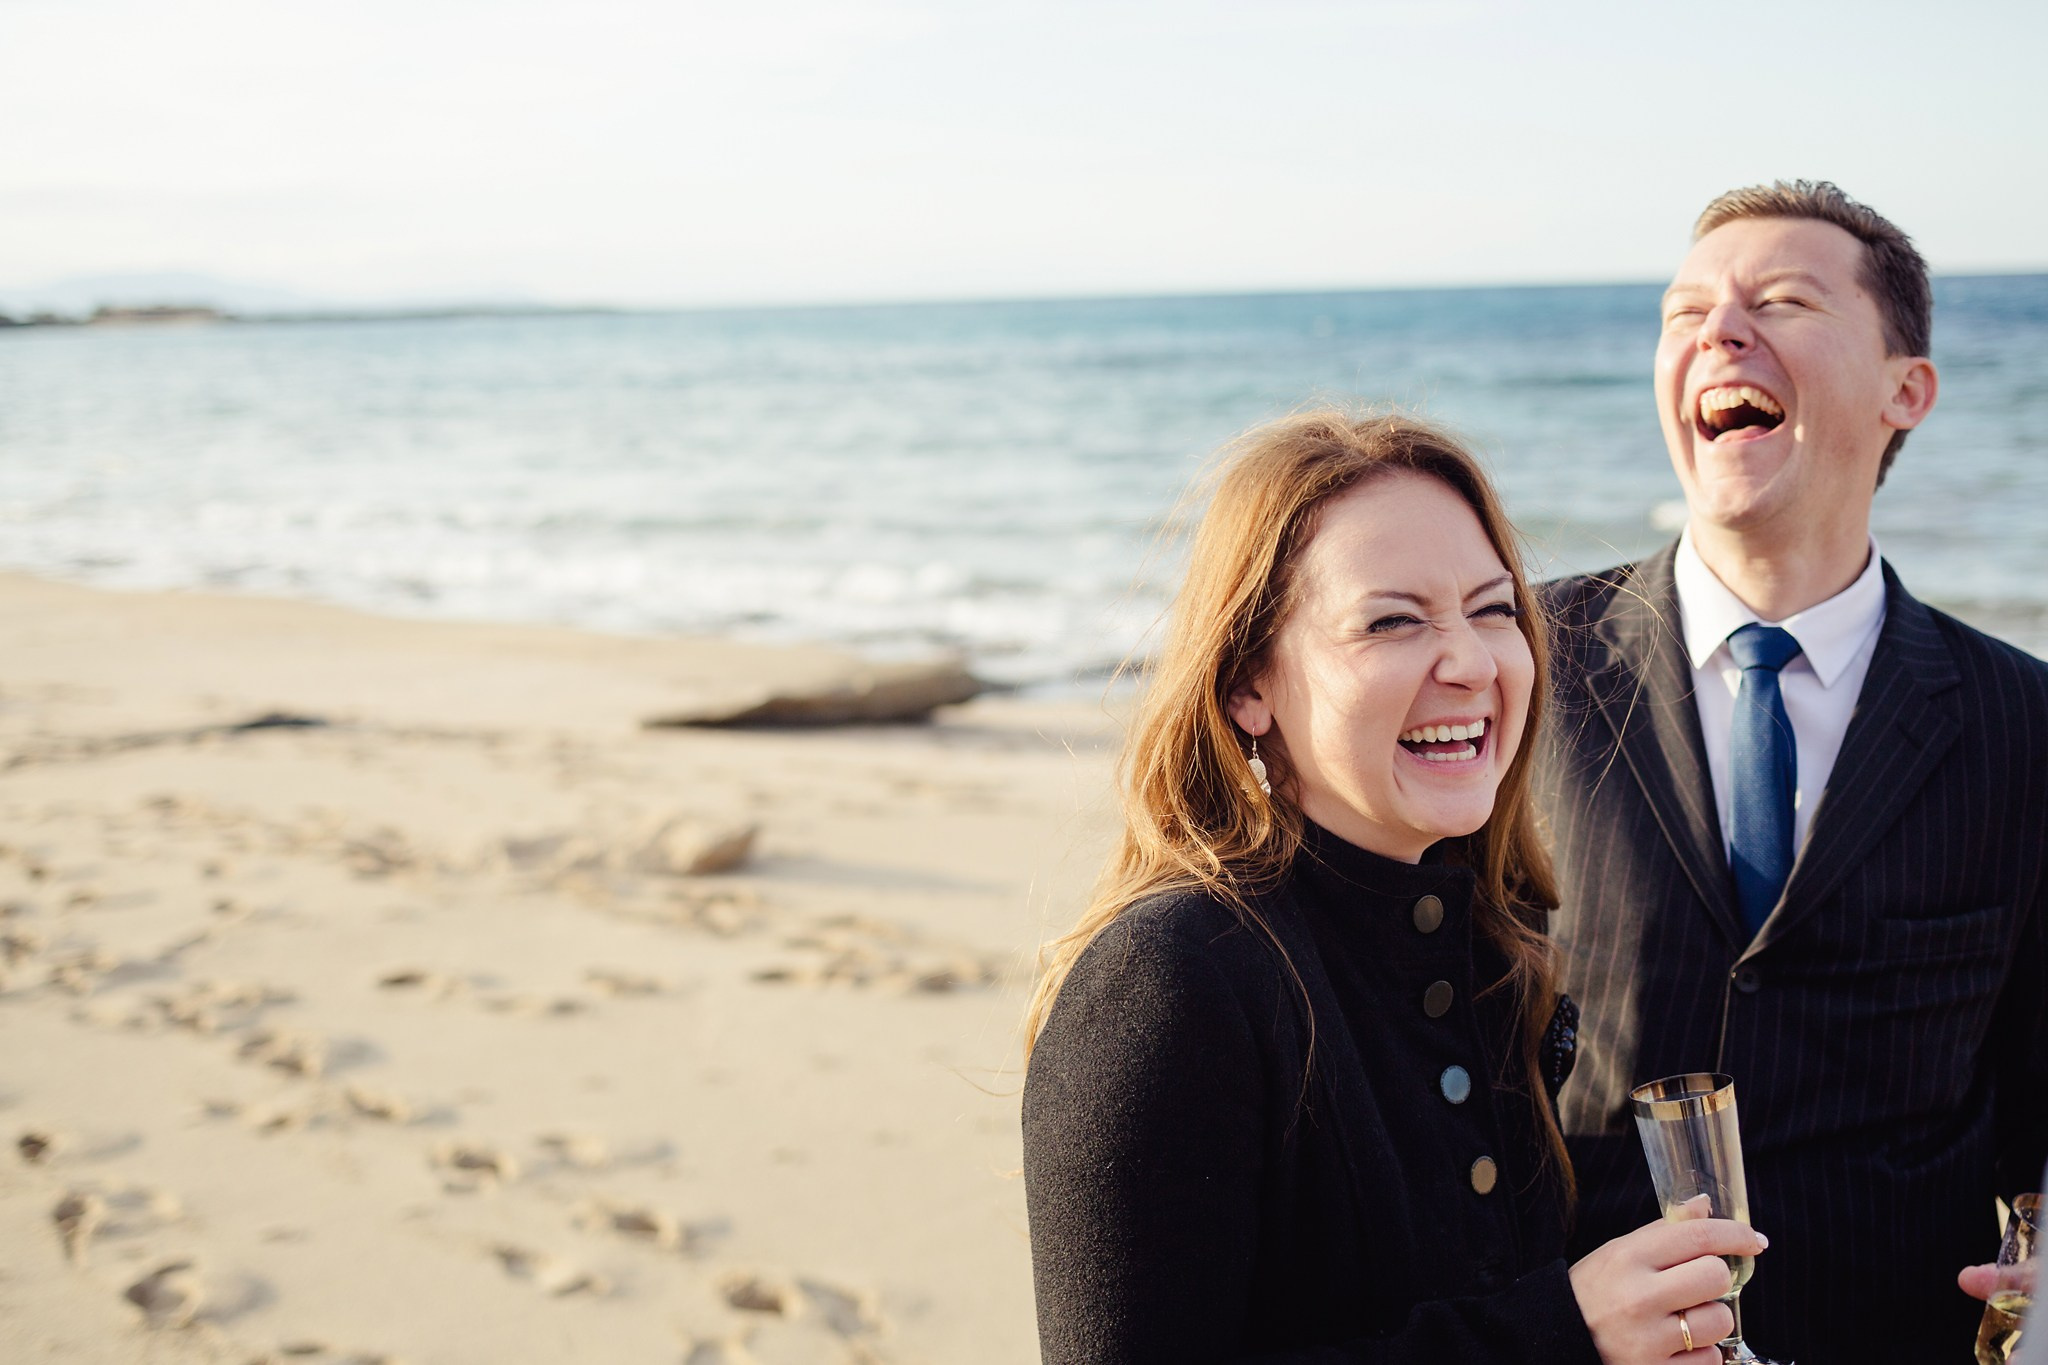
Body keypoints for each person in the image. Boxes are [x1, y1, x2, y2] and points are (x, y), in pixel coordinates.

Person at [1022, 410, 1767, 1364]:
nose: (1470, 661)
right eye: (1392, 621)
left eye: (1494, 609)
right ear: (1250, 682)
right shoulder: (1169, 982)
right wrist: (1562, 1332)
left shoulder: (1498, 947)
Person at [1537, 181, 2048, 1365]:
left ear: (1901, 390)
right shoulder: (1522, 667)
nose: (1718, 332)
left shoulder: (2022, 722)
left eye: (1780, 299)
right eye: (1683, 312)